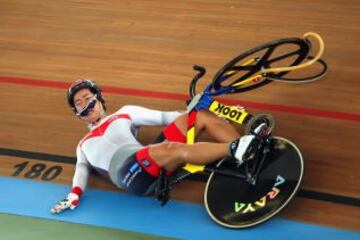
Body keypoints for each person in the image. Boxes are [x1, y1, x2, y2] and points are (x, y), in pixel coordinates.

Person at [50, 79, 265, 214]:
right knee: (169, 148)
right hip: (130, 175)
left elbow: (169, 117)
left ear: (99, 98)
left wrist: (217, 113)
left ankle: (247, 157)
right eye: (78, 103)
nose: (84, 103)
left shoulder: (125, 112)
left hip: (148, 157)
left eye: (87, 97)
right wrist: (75, 194)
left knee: (198, 115)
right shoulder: (83, 145)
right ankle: (235, 147)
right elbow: (81, 170)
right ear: (76, 112)